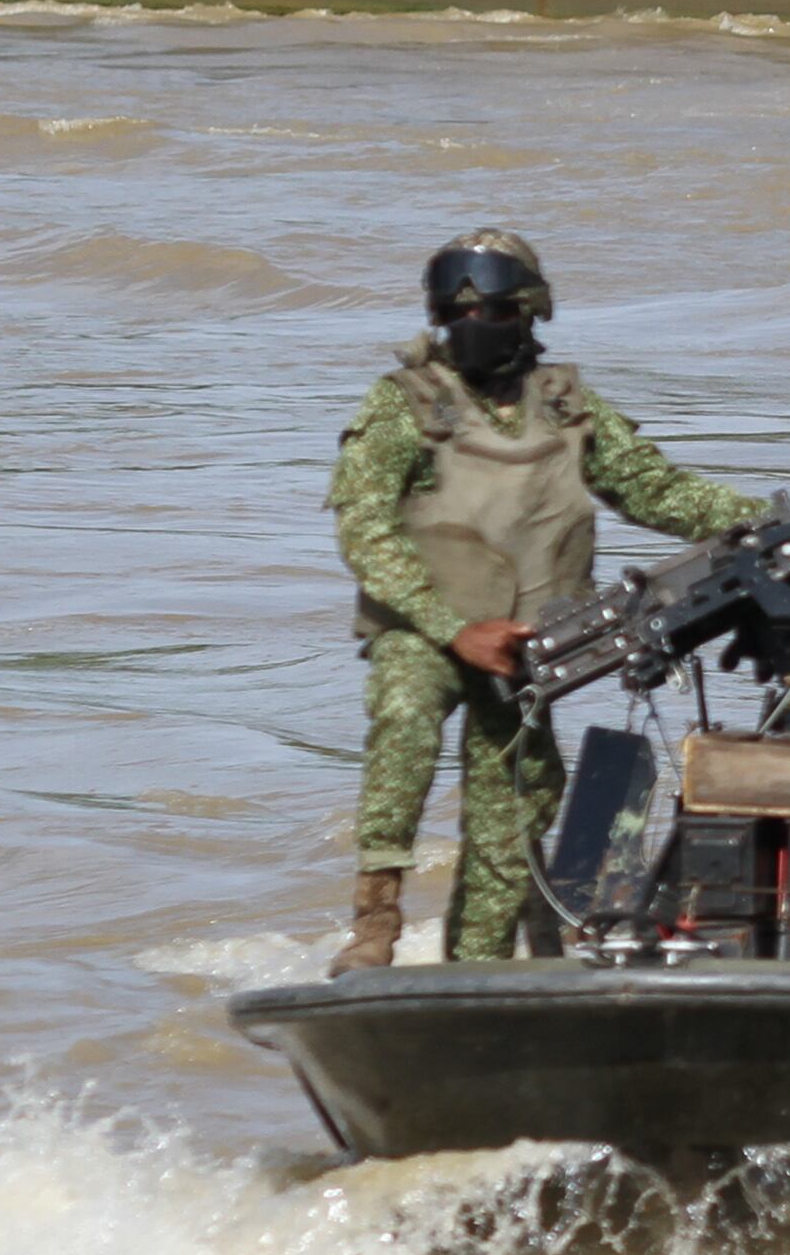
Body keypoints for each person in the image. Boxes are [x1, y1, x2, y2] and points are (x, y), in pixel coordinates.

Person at [326, 229, 763, 973]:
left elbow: (657, 489)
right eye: (454, 311)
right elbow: (364, 530)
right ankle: (375, 923)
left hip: (526, 649)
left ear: (529, 312)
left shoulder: (566, 407)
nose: (470, 325)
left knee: (519, 799)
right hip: (426, 629)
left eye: (492, 309)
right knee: (404, 718)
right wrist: (453, 628)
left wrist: (767, 520)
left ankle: (474, 971)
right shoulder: (405, 404)